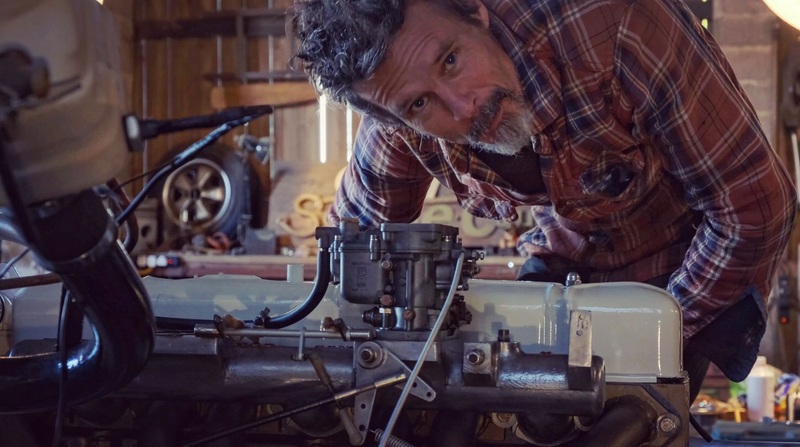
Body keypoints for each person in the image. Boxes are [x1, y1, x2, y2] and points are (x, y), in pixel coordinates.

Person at [290, 0, 796, 404]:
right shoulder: (397, 117)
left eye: (451, 60)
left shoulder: (620, 24)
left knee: (636, 420)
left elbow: (753, 206)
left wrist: (653, 333)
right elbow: (353, 245)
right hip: (563, 262)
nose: (463, 105)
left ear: (474, 10)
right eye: (420, 104)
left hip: (687, 264)